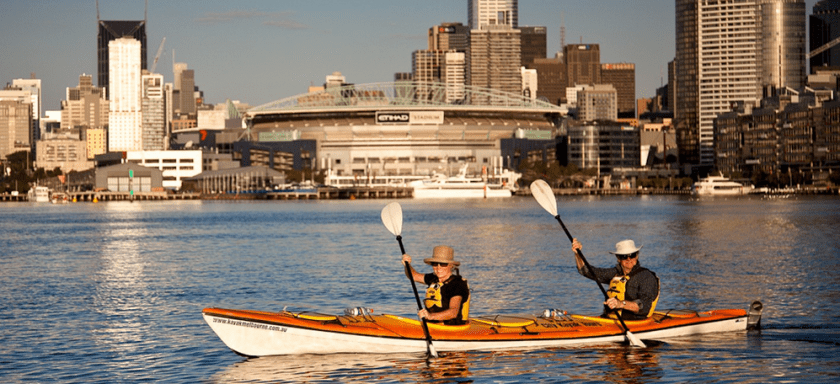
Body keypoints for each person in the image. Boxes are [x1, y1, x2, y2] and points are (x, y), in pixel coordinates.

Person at [571, 238, 659, 320]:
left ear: (637, 256)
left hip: (636, 323)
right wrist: (578, 254)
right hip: (611, 320)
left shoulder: (646, 277)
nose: (628, 259)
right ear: (618, 258)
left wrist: (620, 304)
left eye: (632, 255)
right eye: (624, 256)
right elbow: (586, 271)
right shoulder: (615, 273)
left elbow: (644, 306)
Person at [401, 245, 470, 325]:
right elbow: (413, 276)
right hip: (432, 326)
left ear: (451, 265)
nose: (438, 267)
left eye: (443, 264)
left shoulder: (457, 284)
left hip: (452, 329)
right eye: (435, 264)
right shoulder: (433, 278)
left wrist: (430, 316)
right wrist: (407, 264)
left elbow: (453, 312)